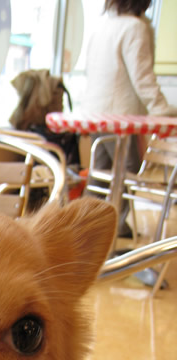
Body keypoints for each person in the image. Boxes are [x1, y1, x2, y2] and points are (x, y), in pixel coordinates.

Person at [82, 0, 177, 236]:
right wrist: (162, 109)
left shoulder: (102, 26)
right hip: (120, 115)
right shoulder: (135, 28)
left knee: (100, 172)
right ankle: (115, 228)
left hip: (95, 112)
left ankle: (85, 227)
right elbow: (143, 78)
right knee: (127, 170)